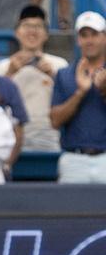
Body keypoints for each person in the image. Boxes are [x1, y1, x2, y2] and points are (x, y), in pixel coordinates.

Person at [0, 5, 65, 153]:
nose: (32, 31)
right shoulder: (3, 66)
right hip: (11, 135)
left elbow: (69, 99)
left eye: (38, 26)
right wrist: (10, 73)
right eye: (26, 25)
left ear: (46, 34)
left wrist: (52, 76)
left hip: (48, 135)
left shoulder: (59, 65)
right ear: (17, 32)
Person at [50, 11, 106, 183]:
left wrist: (104, 90)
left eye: (94, 35)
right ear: (78, 39)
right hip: (74, 158)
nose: (89, 40)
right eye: (84, 35)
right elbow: (55, 121)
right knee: (69, 209)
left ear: (104, 37)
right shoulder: (64, 74)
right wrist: (80, 93)